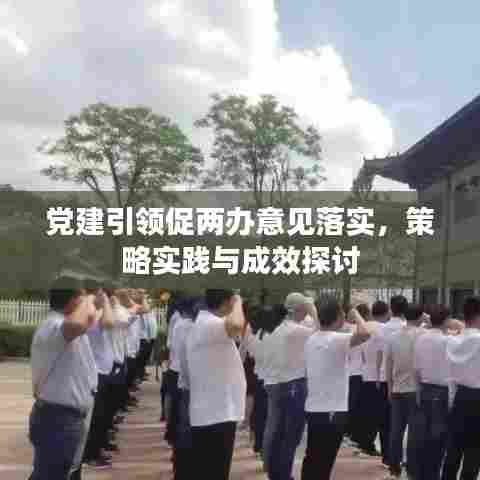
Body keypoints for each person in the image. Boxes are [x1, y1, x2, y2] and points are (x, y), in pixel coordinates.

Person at [28, 276, 98, 480]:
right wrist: (89, 298)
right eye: (81, 298)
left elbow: (89, 321)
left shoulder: (61, 325)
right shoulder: (54, 326)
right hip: (58, 419)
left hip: (63, 418)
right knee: (50, 474)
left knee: (51, 473)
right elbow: (77, 323)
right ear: (73, 300)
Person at [301, 298, 372, 480]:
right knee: (324, 460)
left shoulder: (312, 338)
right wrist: (356, 315)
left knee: (313, 456)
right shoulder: (337, 339)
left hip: (314, 407)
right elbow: (365, 333)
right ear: (338, 317)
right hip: (333, 409)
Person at [186, 289, 247, 480]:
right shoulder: (211, 324)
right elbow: (236, 325)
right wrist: (238, 301)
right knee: (216, 471)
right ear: (226, 302)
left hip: (210, 412)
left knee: (208, 470)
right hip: (217, 414)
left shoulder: (203, 324)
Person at [262, 292, 314, 480]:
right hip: (293, 384)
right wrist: (313, 309)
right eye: (305, 309)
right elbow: (322, 330)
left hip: (275, 383)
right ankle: (283, 474)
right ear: (299, 309)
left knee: (278, 432)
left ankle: (275, 472)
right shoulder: (297, 331)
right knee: (291, 434)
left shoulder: (276, 328)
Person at [385, 303, 425, 480]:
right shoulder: (423, 335)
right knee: (414, 432)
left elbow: (388, 363)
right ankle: (412, 469)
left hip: (397, 388)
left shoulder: (393, 337)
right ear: (420, 316)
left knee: (396, 430)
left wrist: (389, 387)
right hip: (416, 389)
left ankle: (394, 466)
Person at [442, 297, 480, 480]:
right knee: (474, 450)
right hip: (477, 397)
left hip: (459, 396)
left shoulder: (452, 341)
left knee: (454, 447)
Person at [413, 305, 451, 480]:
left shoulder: (421, 339)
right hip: (441, 392)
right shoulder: (447, 341)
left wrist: (418, 390)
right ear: (446, 320)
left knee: (423, 437)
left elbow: (416, 369)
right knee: (438, 438)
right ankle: (432, 475)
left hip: (424, 389)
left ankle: (421, 474)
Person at [357, 300, 391, 466]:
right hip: (379, 377)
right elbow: (381, 353)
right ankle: (384, 452)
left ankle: (365, 444)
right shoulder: (384, 329)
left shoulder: (363, 326)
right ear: (386, 312)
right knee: (383, 418)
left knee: (367, 414)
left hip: (365, 373)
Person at [346, 303, 368, 449]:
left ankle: (347, 432)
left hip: (349, 371)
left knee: (349, 403)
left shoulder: (346, 328)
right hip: (357, 372)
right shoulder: (358, 330)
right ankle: (350, 433)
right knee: (355, 405)